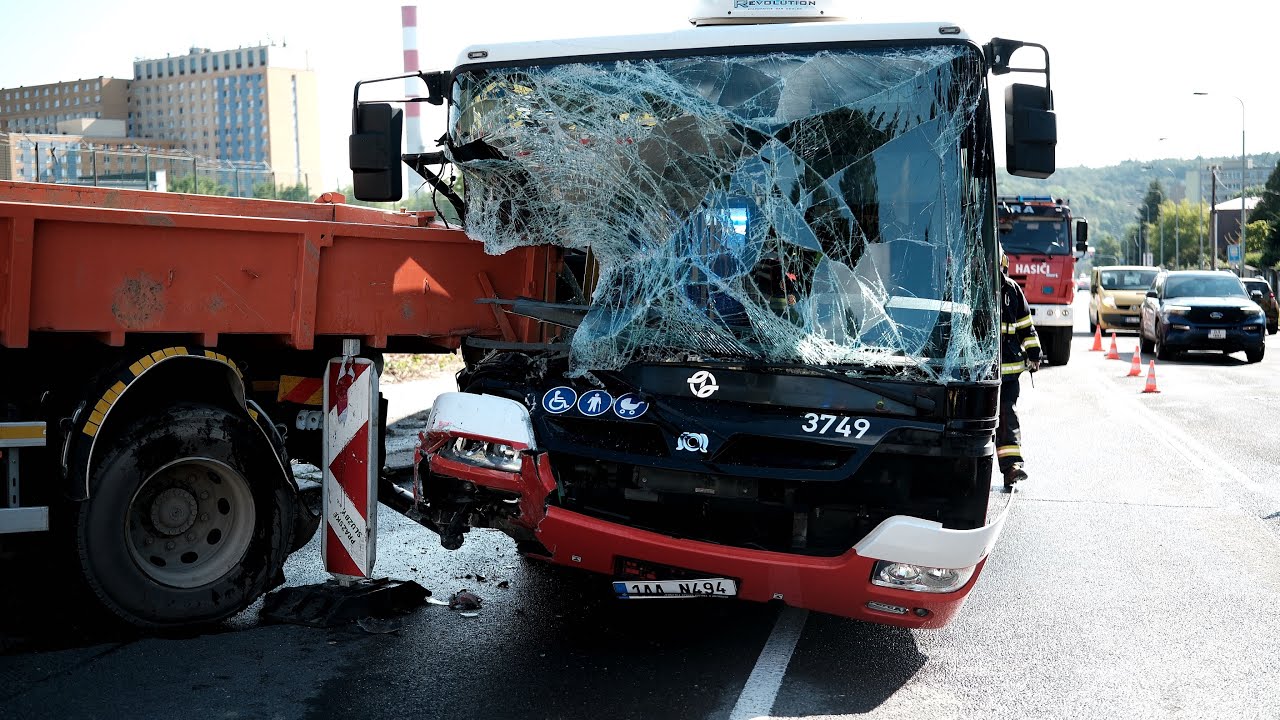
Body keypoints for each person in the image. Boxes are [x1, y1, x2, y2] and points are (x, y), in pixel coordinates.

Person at [998, 249, 1041, 489]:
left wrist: (1034, 353)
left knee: (1007, 415)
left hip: (1008, 373)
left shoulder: (1012, 291)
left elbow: (1026, 326)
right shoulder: (973, 285)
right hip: (976, 373)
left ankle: (1012, 468)